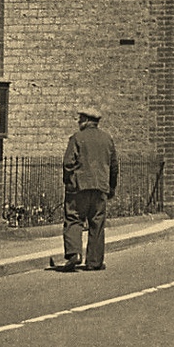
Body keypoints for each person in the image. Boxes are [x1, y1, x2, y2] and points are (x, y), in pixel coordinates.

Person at [52, 106, 118, 272]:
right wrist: (111, 187)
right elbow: (114, 166)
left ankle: (74, 254)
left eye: (81, 119)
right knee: (97, 223)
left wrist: (68, 183)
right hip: (100, 188)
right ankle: (94, 262)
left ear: (87, 121)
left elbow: (68, 163)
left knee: (74, 219)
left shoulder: (77, 138)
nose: (78, 121)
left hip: (79, 187)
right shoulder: (107, 139)